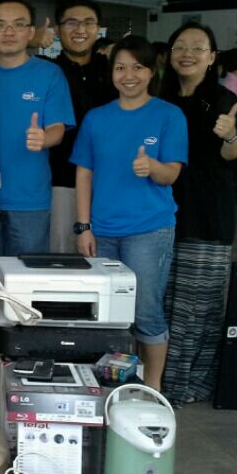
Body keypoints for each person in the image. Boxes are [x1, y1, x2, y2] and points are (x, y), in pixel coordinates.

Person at [71, 35, 188, 391]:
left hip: (149, 231)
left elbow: (172, 174)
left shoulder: (169, 115)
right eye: (121, 67)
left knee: (145, 311)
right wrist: (83, 227)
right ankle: (114, 384)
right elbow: (84, 174)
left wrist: (152, 167)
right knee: (107, 313)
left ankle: (151, 388)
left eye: (137, 67)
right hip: (102, 231)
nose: (129, 75)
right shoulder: (96, 118)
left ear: (152, 72)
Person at [158, 23, 237, 405]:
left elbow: (234, 154)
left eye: (197, 48)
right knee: (162, 303)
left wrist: (230, 134)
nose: (187, 54)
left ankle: (188, 385)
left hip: (207, 215)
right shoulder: (158, 99)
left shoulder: (223, 99)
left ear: (212, 57)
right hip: (160, 213)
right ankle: (159, 379)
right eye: (180, 46)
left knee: (198, 308)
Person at [0, 0, 75, 262]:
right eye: (0, 25)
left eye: (18, 25)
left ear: (30, 32)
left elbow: (57, 128)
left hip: (29, 198)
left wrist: (43, 138)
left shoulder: (50, 74)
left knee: (26, 276)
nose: (9, 32)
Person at [45, 0, 118, 253]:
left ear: (98, 29)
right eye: (72, 23)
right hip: (63, 181)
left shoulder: (114, 72)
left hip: (111, 182)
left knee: (107, 261)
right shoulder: (47, 70)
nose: (80, 29)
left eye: (88, 23)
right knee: (64, 259)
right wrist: (31, 41)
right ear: (57, 29)